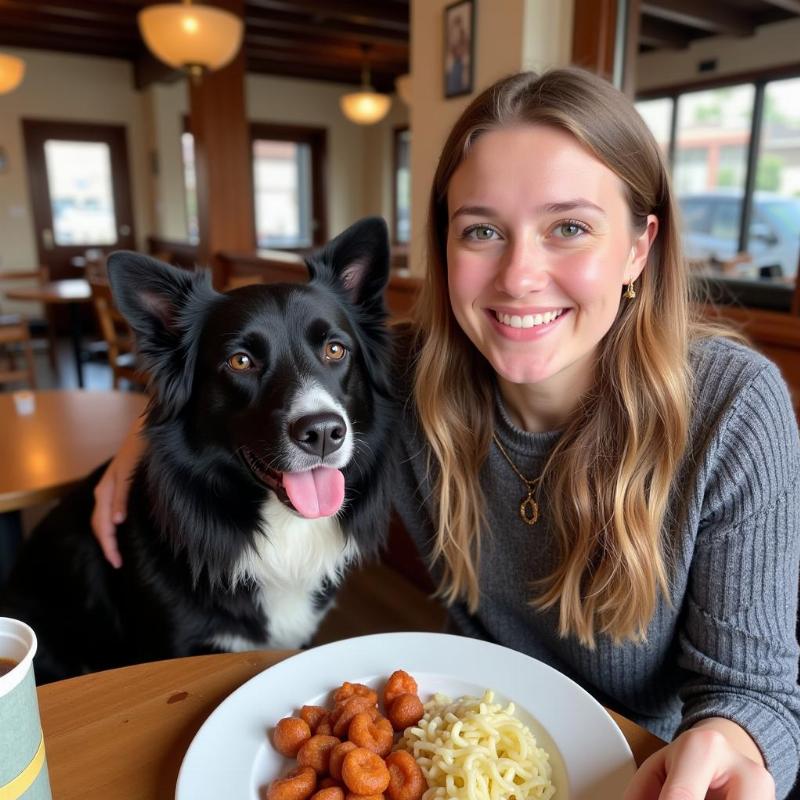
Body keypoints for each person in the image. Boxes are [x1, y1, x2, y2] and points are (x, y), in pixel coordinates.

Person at [92, 69, 799, 799]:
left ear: (638, 248)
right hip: (462, 755)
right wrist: (138, 442)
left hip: (640, 769)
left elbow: (757, 695)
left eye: (570, 227)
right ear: (444, 247)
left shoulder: (730, 407)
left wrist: (727, 744)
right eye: (483, 231)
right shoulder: (408, 375)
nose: (520, 276)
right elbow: (240, 391)